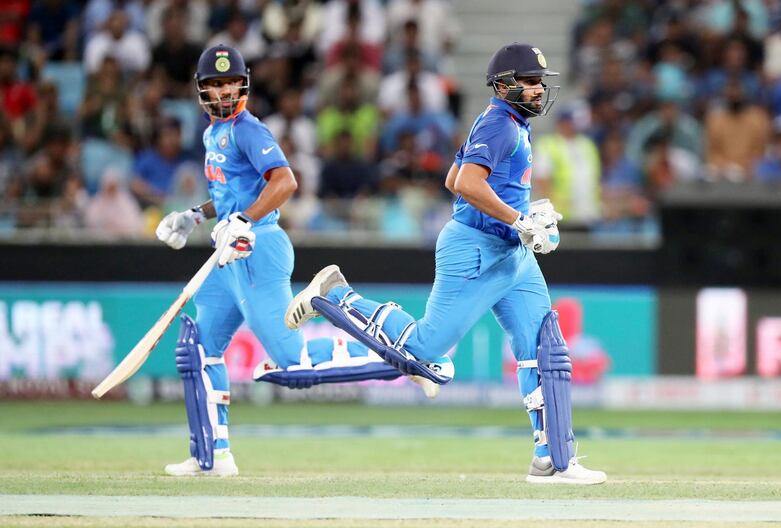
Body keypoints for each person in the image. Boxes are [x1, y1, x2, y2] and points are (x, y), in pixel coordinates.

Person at [286, 43, 607, 485]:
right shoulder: (499, 123)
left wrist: (525, 214)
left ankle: (552, 457)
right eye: (530, 81)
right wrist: (519, 218)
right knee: (425, 349)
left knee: (541, 347)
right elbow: (469, 185)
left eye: (539, 82)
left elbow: (453, 179)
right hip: (477, 247)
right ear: (503, 84)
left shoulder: (506, 122)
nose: (537, 90)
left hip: (511, 251)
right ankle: (336, 293)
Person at [154, 45, 437, 478]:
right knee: (200, 349)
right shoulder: (212, 135)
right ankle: (213, 456)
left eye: (231, 83)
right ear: (202, 91)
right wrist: (193, 215)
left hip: (256, 248)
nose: (225, 91)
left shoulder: (248, 129)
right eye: (215, 84)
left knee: (294, 363)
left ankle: (407, 361)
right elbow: (231, 191)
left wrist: (245, 220)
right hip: (226, 253)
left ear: (243, 85)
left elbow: (285, 181)